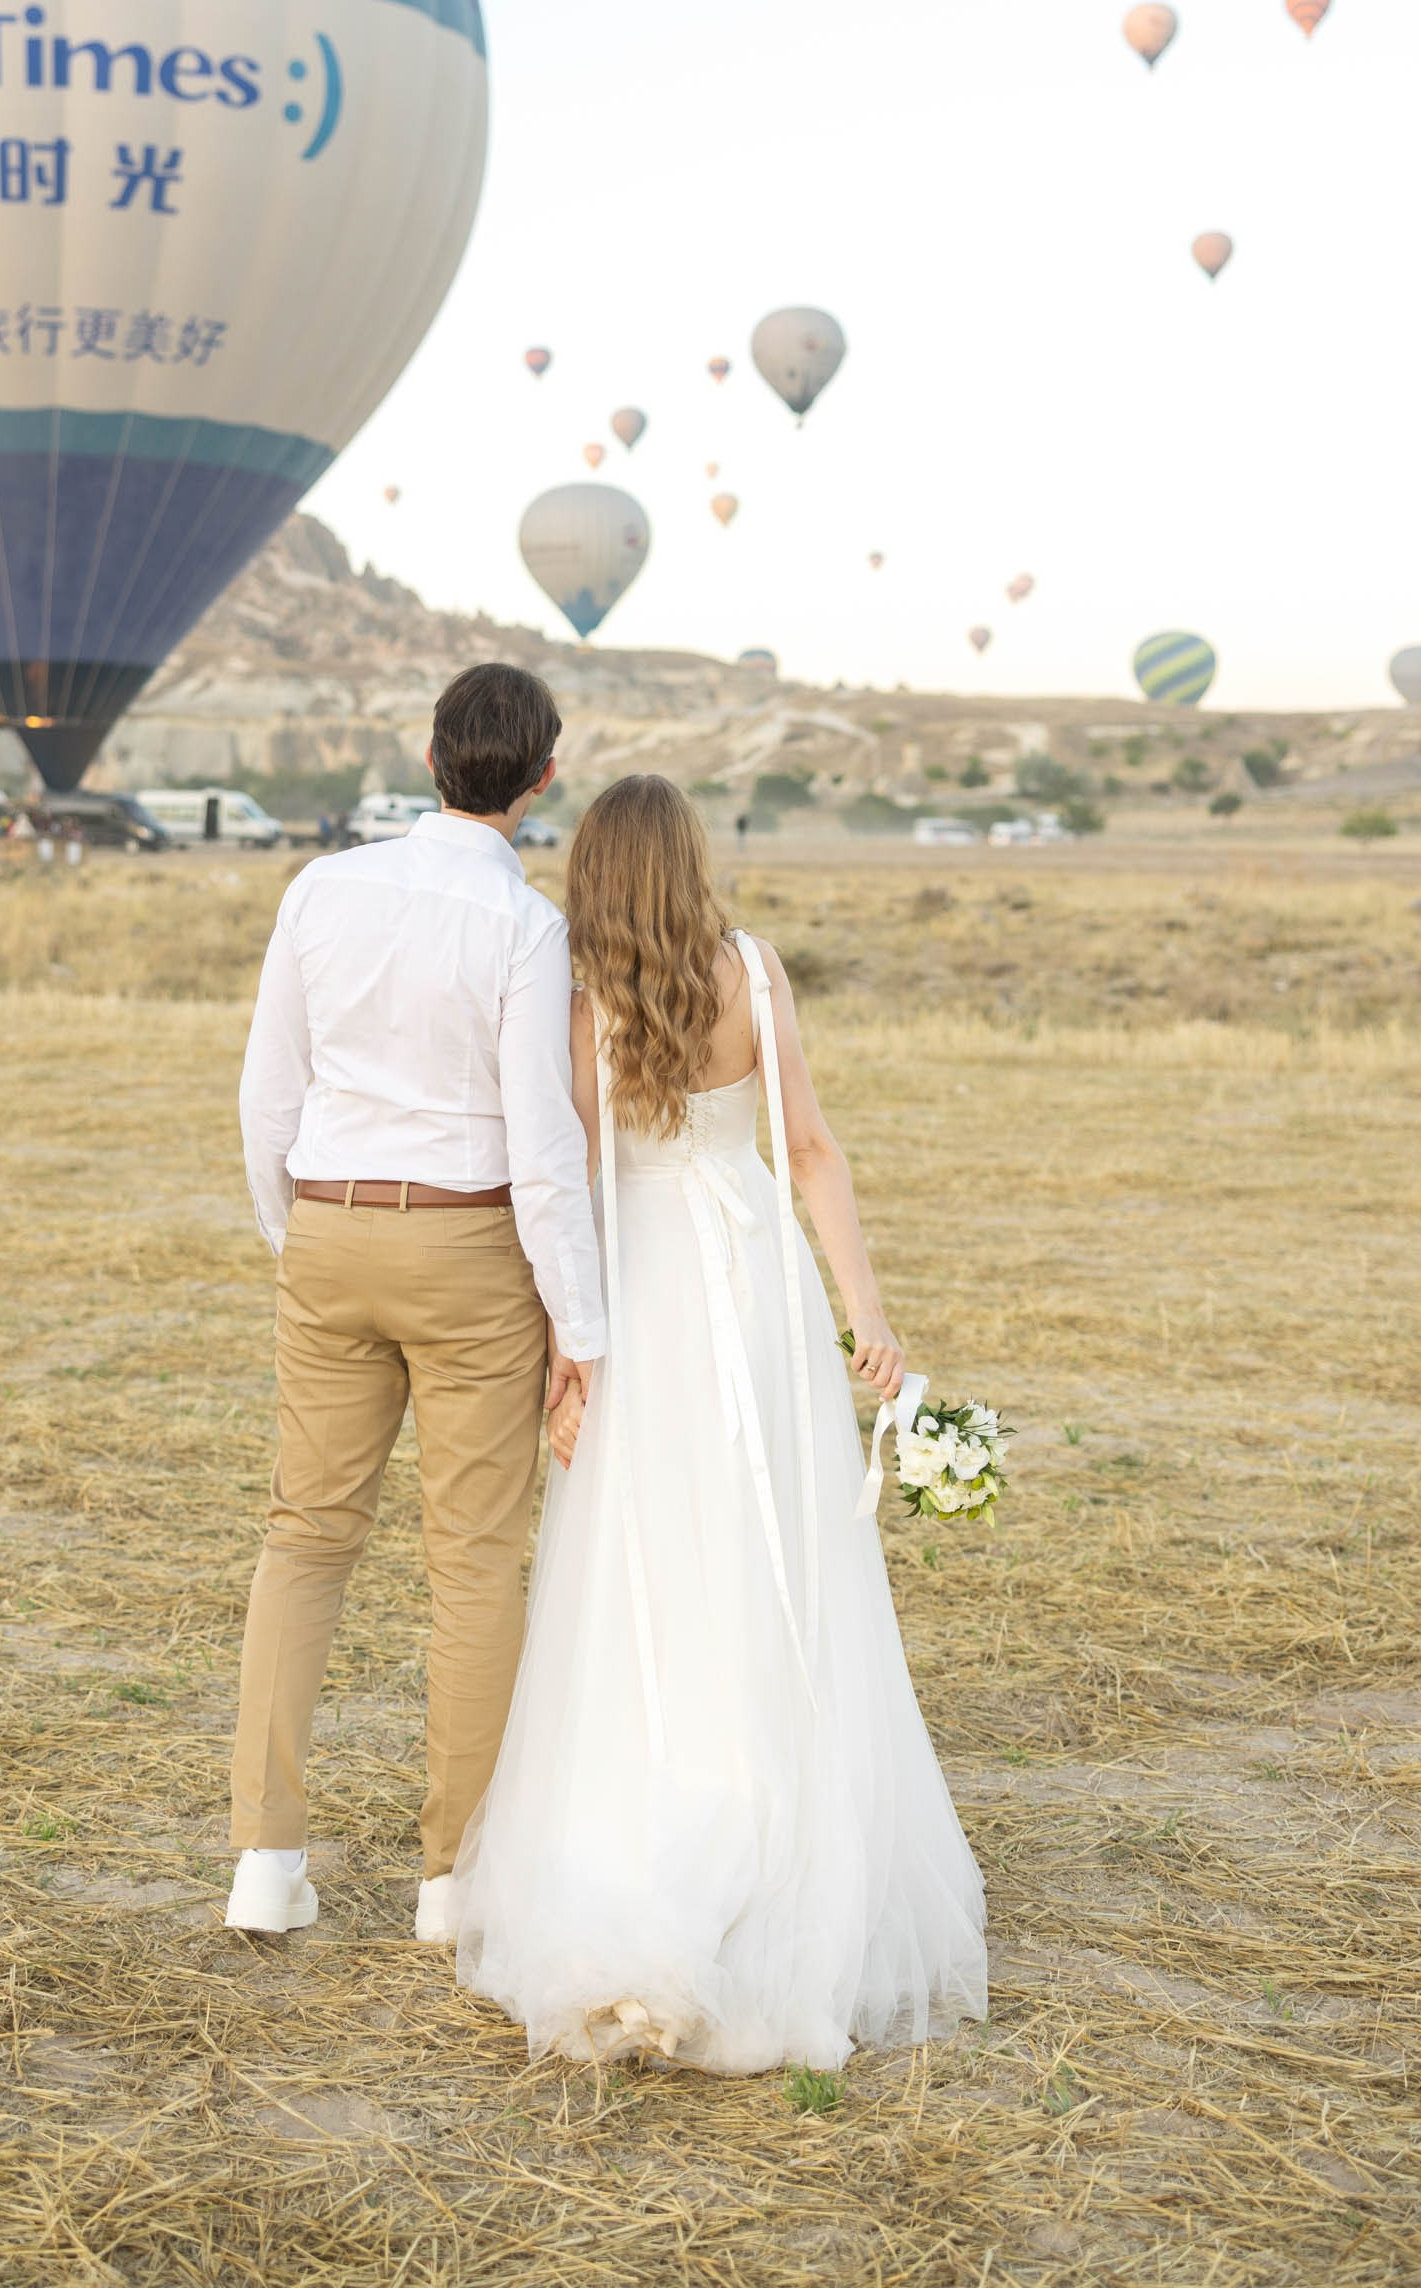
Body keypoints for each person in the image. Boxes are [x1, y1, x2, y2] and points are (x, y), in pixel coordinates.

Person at [454, 773, 987, 2073]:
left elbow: (571, 1181)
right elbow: (810, 1151)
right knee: (779, 1555)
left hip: (639, 1297)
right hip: (753, 1288)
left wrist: (562, 1359)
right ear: (691, 861)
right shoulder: (753, 970)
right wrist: (869, 1317)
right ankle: (779, 1832)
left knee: (643, 1567)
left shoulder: (579, 1000)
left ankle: (646, 1839)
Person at [229, 664, 603, 1943]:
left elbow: (266, 1094)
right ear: (542, 778)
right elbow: (543, 1142)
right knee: (474, 1564)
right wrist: (582, 1326)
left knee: (306, 1540)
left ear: (430, 754)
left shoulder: (320, 889)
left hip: (330, 1228)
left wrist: (300, 1230)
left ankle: (265, 1862)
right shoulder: (527, 926)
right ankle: (453, 1880)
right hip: (468, 1248)